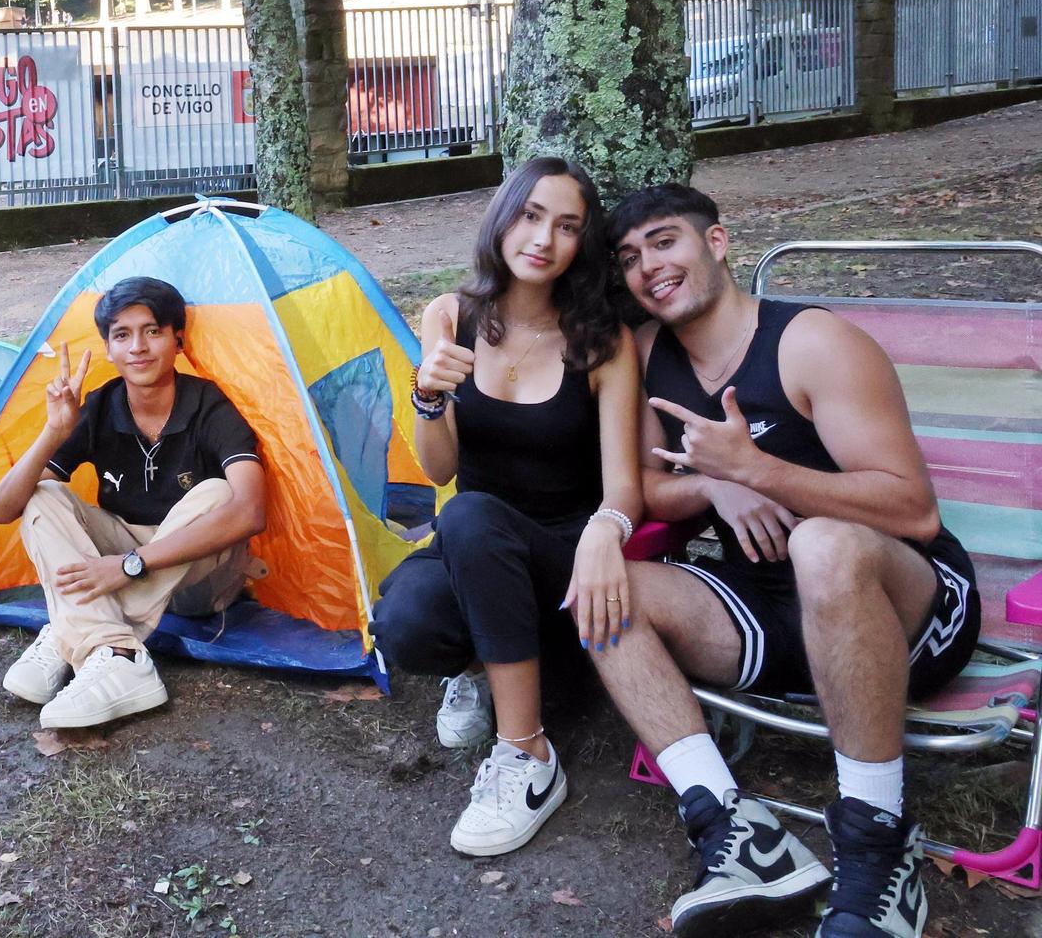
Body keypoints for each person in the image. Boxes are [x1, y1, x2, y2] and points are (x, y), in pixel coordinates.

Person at [598, 184, 979, 938]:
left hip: (905, 602)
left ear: (716, 242)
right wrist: (711, 482)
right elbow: (646, 485)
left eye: (666, 241)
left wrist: (756, 470)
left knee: (822, 542)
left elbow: (914, 510)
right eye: (631, 257)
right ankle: (738, 833)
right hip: (769, 604)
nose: (650, 266)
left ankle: (878, 845)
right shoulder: (647, 353)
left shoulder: (810, 342)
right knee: (606, 590)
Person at [370, 156, 643, 858]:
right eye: (531, 215)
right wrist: (428, 398)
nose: (544, 238)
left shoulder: (602, 342)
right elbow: (441, 468)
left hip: (563, 558)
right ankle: (478, 672)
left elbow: (623, 484)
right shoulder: (451, 315)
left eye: (568, 225)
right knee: (403, 617)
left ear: (584, 243)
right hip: (473, 543)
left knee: (468, 515)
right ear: (504, 217)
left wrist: (605, 533)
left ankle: (528, 755)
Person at [0, 276, 267, 730]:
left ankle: (71, 633)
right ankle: (115, 654)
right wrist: (53, 432)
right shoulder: (99, 407)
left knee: (218, 492)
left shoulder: (208, 404)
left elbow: (250, 511)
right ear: (108, 349)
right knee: (41, 494)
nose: (138, 347)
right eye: (122, 334)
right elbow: (1, 509)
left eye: (152, 331)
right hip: (119, 559)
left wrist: (129, 565)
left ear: (178, 340)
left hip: (199, 582)